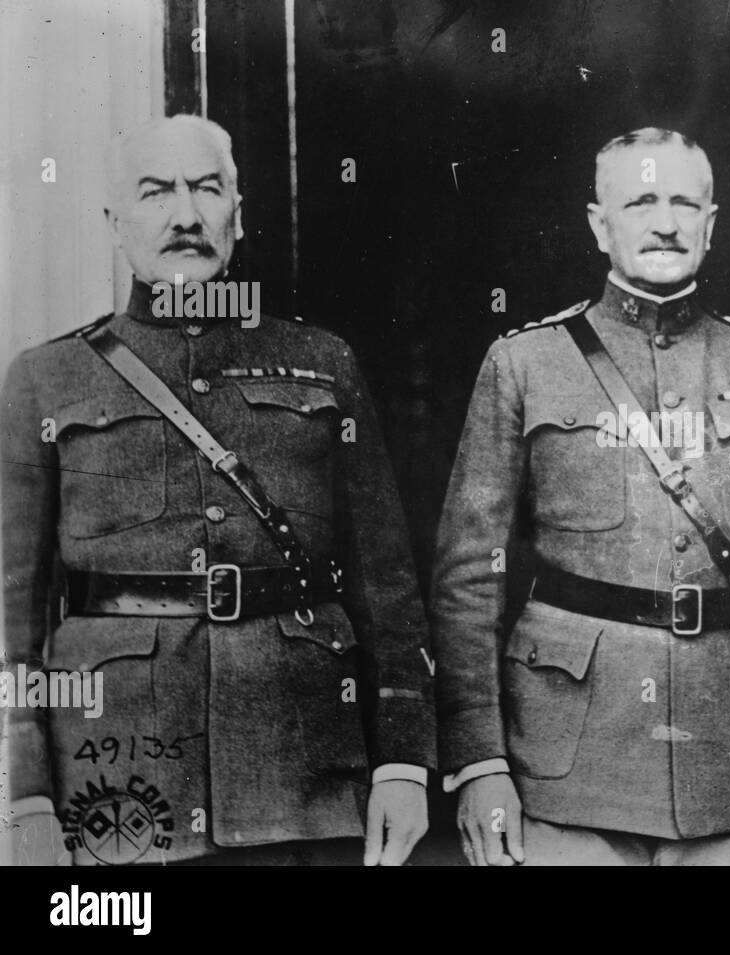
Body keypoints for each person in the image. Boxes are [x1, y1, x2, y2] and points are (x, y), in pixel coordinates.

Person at [1, 115, 435, 865]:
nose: (185, 215)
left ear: (240, 213)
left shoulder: (322, 362)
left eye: (207, 189)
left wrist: (403, 759)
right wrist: (28, 791)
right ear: (114, 221)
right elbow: (12, 611)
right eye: (155, 192)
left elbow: (386, 585)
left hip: (302, 784)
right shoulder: (46, 378)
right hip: (117, 780)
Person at [431, 127, 730, 865]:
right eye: (640, 201)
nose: (665, 222)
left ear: (711, 223)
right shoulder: (524, 363)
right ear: (600, 224)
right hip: (565, 766)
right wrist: (479, 760)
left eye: (683, 203)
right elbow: (470, 575)